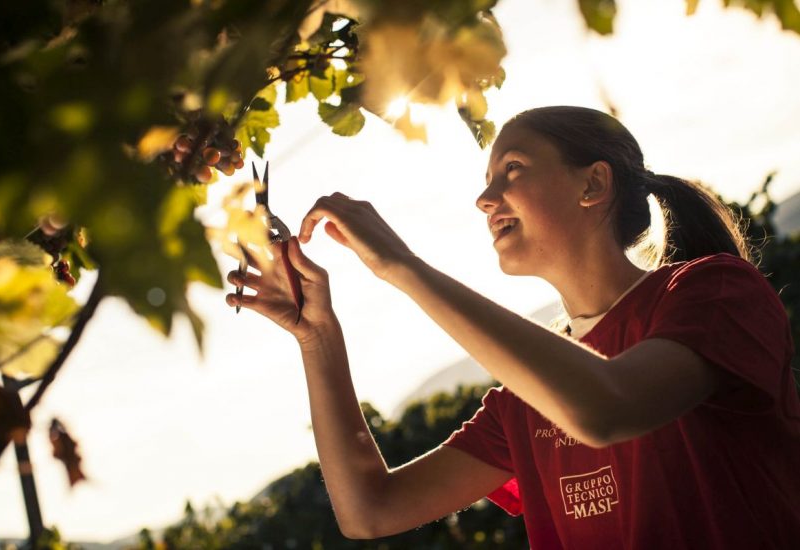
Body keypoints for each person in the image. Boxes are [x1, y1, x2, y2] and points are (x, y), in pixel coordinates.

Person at [226, 106, 800, 548]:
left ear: (593, 185)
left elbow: (608, 406)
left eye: (513, 170)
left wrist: (403, 268)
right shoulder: (526, 400)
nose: (484, 198)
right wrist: (317, 335)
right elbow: (370, 509)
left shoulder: (713, 291)